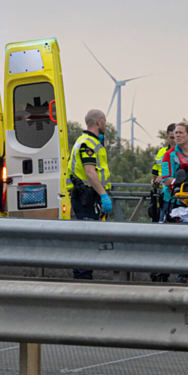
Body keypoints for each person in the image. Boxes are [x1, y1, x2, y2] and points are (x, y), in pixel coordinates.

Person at [66, 109, 112, 280]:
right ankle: (83, 277)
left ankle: (83, 275)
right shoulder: (88, 143)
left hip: (85, 195)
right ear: (98, 122)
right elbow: (90, 172)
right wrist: (103, 194)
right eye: (105, 121)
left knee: (87, 237)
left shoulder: (86, 141)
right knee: (86, 239)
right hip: (86, 196)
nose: (106, 124)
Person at [158, 122, 188, 222]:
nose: (177, 135)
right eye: (176, 133)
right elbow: (166, 179)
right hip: (172, 201)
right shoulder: (169, 154)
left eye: (180, 132)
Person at [149, 123, 177, 223]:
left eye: (176, 137)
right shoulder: (161, 153)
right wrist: (155, 182)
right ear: (167, 137)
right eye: (172, 137)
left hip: (179, 196)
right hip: (163, 196)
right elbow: (153, 180)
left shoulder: (183, 152)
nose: (174, 141)